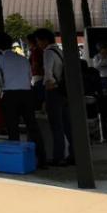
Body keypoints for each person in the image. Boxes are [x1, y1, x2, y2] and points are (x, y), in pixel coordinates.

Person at [0, 32, 47, 168]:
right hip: (27, 93)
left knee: (13, 127)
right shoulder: (22, 59)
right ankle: (42, 159)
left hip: (10, 94)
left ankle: (16, 159)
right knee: (32, 126)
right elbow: (29, 77)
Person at [35, 28, 74, 166]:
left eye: (38, 41)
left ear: (44, 40)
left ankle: (59, 156)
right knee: (67, 124)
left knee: (56, 125)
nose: (38, 44)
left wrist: (47, 86)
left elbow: (48, 74)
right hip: (64, 90)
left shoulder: (48, 53)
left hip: (54, 90)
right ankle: (73, 154)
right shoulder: (60, 51)